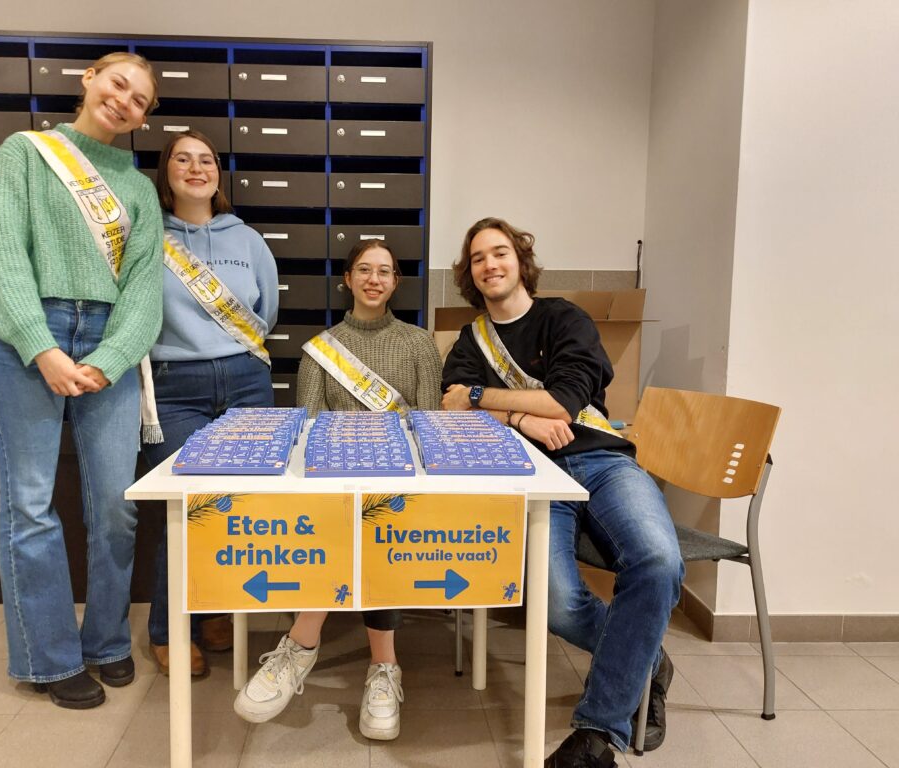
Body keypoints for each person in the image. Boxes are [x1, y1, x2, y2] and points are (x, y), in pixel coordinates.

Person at [440, 217, 684, 768]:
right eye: (478, 258)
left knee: (658, 561)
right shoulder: (471, 339)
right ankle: (649, 662)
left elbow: (563, 402)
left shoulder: (564, 319)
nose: (489, 264)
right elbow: (452, 410)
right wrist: (521, 420)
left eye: (499, 252)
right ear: (469, 273)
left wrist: (481, 395)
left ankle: (596, 735)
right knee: (555, 603)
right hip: (530, 474)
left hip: (601, 462)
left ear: (520, 261)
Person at [0, 52, 163, 709]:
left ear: (143, 118)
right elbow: (2, 254)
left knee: (116, 507)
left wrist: (110, 358)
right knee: (29, 505)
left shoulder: (138, 190)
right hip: (26, 339)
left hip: (109, 346)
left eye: (139, 100)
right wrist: (40, 346)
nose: (124, 101)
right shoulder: (26, 152)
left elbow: (144, 290)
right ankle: (47, 659)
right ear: (89, 79)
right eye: (118, 84)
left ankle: (106, 641)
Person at [233, 238, 442, 741]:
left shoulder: (419, 343)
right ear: (347, 279)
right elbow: (307, 430)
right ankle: (382, 666)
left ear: (396, 282)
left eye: (384, 271)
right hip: (336, 481)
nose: (374, 279)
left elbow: (429, 426)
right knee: (348, 517)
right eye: (364, 270)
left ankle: (302, 645)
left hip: (399, 483)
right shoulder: (321, 349)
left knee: (373, 518)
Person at [141, 129, 279, 677]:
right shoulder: (148, 236)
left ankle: (215, 611)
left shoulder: (247, 239)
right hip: (175, 386)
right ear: (167, 172)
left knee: (236, 507)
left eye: (206, 160)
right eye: (183, 159)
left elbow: (266, 312)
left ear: (218, 174)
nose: (196, 168)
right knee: (186, 506)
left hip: (246, 381)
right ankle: (168, 628)